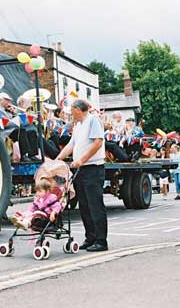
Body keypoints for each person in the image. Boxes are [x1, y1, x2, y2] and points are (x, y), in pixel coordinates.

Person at [56, 99, 108, 252]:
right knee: (84, 205)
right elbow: (71, 145)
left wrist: (81, 160)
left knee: (95, 205)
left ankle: (101, 240)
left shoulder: (93, 120)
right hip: (81, 169)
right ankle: (90, 237)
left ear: (79, 110)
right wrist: (58, 159)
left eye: (73, 112)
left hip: (93, 167)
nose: (72, 116)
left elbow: (98, 142)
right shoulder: (78, 126)